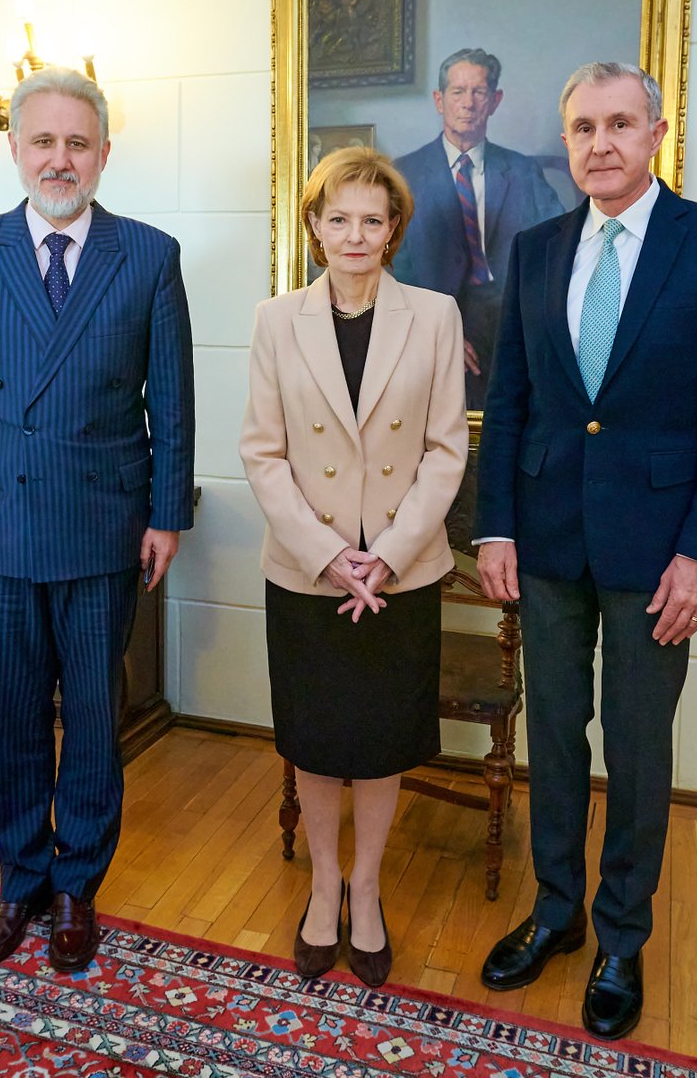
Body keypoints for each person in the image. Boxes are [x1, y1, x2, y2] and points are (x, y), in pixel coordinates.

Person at [474, 62, 697, 1039]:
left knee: (635, 749)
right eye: (579, 128)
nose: (597, 143)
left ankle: (619, 937)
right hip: (547, 538)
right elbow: (509, 399)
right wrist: (495, 524)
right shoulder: (534, 250)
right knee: (551, 737)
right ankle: (553, 912)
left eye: (617, 124)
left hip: (657, 553)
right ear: (563, 141)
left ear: (654, 132)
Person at [0, 67, 195, 973]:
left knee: (92, 709)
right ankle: (19, 881)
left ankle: (79, 882)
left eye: (79, 143)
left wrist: (166, 514)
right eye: (44, 141)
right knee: (10, 716)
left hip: (105, 522)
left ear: (106, 154)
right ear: (15, 148)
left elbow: (174, 402)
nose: (60, 159)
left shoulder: (149, 254)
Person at [239, 147, 467, 987]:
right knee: (318, 738)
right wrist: (332, 554)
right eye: (338, 218)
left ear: (394, 228)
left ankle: (365, 889)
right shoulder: (275, 321)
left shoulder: (435, 316)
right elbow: (263, 455)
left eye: (373, 219)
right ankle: (323, 885)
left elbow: (447, 452)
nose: (355, 234)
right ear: (314, 227)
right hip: (307, 574)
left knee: (379, 742)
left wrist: (387, 555)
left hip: (400, 577)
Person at [392, 47, 563, 405]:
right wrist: (434, 330)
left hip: (509, 318)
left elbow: (557, 251)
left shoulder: (522, 172)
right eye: (457, 92)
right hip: (430, 319)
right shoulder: (403, 174)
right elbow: (389, 268)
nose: (468, 103)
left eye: (479, 92)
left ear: (495, 101)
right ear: (439, 100)